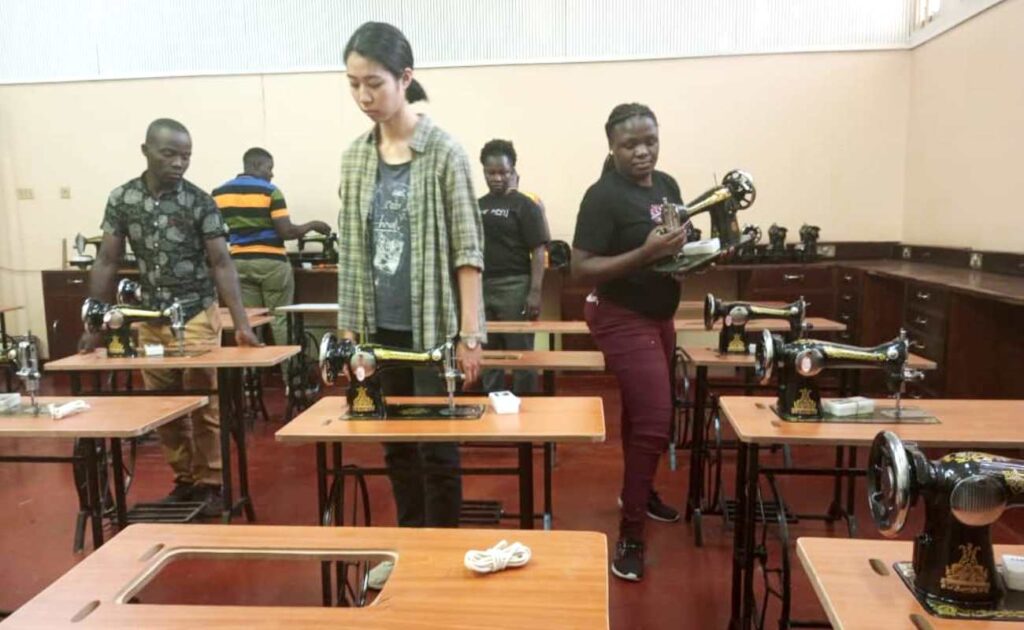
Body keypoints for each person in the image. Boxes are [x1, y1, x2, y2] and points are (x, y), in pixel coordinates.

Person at [335, 22, 486, 584]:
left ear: (405, 77)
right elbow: (352, 250)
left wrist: (471, 336)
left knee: (438, 449)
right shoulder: (355, 158)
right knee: (395, 444)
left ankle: (440, 563)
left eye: (374, 83)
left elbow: (468, 250)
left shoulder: (443, 152)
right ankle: (407, 553)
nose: (364, 97)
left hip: (433, 329)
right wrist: (350, 335)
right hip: (378, 329)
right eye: (353, 85)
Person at [80, 118, 261, 517]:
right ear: (145, 150)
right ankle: (185, 481)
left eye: (186, 156)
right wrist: (94, 321)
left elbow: (222, 264)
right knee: (163, 407)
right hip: (150, 317)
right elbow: (107, 260)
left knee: (203, 405)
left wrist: (242, 323)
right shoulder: (123, 198)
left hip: (196, 314)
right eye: (170, 154)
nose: (180, 163)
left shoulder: (199, 201)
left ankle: (213, 484)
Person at [571, 103, 688, 582]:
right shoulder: (602, 197)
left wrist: (691, 251)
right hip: (620, 315)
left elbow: (673, 239)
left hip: (659, 313)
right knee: (656, 422)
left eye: (650, 141)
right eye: (630, 144)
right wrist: (647, 252)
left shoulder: (668, 186)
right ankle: (631, 534)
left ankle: (636, 492)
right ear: (612, 147)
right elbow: (580, 269)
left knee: (646, 414)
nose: (643, 152)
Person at [212, 147, 331, 346]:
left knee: (250, 321)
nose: (271, 173)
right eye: (269, 168)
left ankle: (254, 373)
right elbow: (287, 232)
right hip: (271, 265)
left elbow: (217, 233)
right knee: (280, 319)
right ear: (257, 165)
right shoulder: (271, 192)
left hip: (238, 264)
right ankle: (287, 374)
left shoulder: (219, 194)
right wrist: (313, 225)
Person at [477, 139, 549, 393]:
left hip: (516, 286)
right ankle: (492, 404)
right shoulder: (478, 206)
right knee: (488, 353)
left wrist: (535, 291)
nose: (497, 178)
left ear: (513, 172)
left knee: (521, 353)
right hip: (482, 286)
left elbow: (539, 250)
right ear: (484, 171)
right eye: (491, 172)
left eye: (503, 172)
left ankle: (526, 406)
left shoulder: (525, 205)